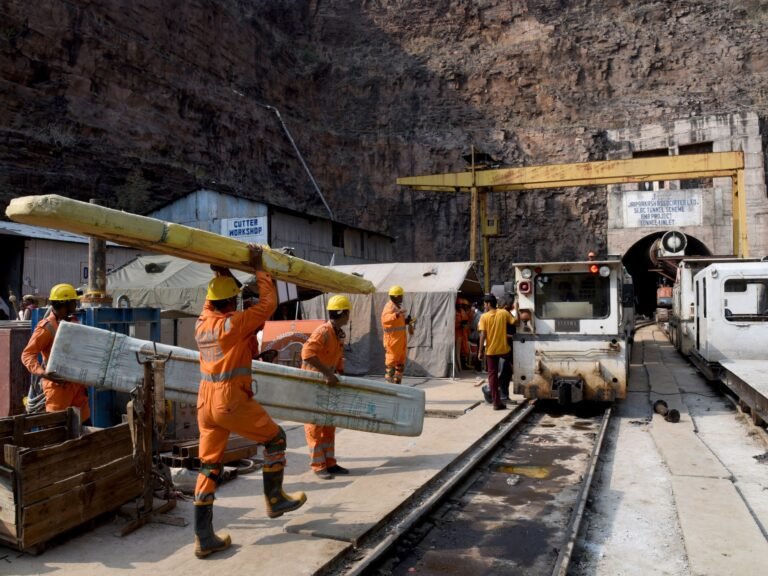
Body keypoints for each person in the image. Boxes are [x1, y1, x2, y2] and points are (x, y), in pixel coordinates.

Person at [193, 245, 306, 559]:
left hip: (204, 403)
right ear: (230, 302)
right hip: (230, 400)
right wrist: (260, 268)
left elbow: (216, 299)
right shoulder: (234, 324)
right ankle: (274, 499)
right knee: (276, 439)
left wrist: (223, 272)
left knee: (210, 466)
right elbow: (269, 303)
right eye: (235, 299)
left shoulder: (201, 323)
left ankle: (204, 537)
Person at [21, 284, 91, 422]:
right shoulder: (46, 328)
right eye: (73, 301)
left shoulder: (74, 322)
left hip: (77, 387)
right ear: (64, 303)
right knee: (57, 430)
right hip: (58, 389)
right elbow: (27, 354)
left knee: (85, 429)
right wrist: (42, 373)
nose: (76, 304)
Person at [301, 295, 351, 479]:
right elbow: (307, 354)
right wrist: (328, 374)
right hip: (313, 384)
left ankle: (330, 462)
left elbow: (337, 357)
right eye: (348, 313)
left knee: (329, 424)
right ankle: (318, 465)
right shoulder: (323, 332)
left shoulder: (337, 334)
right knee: (315, 425)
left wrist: (339, 373)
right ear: (343, 313)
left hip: (327, 384)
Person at [477, 293, 517, 410]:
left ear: (489, 304)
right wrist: (518, 309)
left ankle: (496, 402)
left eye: (485, 304)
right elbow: (515, 322)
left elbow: (482, 335)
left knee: (492, 376)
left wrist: (480, 351)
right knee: (515, 364)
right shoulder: (503, 313)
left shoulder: (484, 317)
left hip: (491, 351)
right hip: (505, 350)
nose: (484, 306)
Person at [381, 285, 414, 384]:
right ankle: (389, 387)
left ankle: (397, 384)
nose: (401, 298)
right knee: (391, 365)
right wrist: (397, 314)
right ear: (395, 296)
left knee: (400, 365)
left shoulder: (397, 307)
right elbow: (385, 320)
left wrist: (406, 321)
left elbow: (398, 323)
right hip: (393, 342)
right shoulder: (389, 307)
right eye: (400, 296)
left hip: (400, 341)